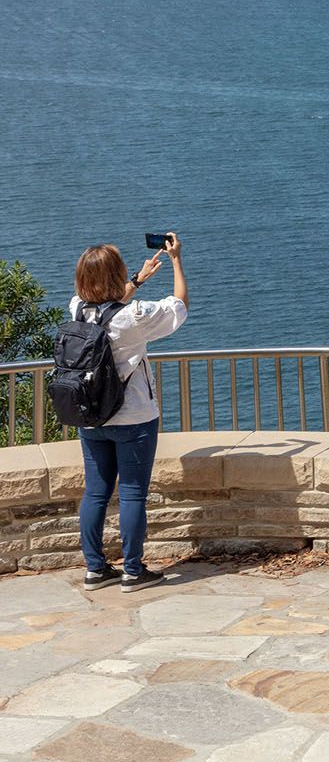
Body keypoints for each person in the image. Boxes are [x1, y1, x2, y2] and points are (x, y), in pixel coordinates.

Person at [71, 234, 187, 592]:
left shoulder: (75, 307)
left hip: (91, 416)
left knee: (96, 493)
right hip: (134, 417)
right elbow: (179, 305)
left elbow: (107, 306)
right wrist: (177, 261)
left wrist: (136, 281)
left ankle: (95, 569)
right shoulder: (136, 317)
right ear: (115, 273)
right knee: (133, 493)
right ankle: (133, 571)